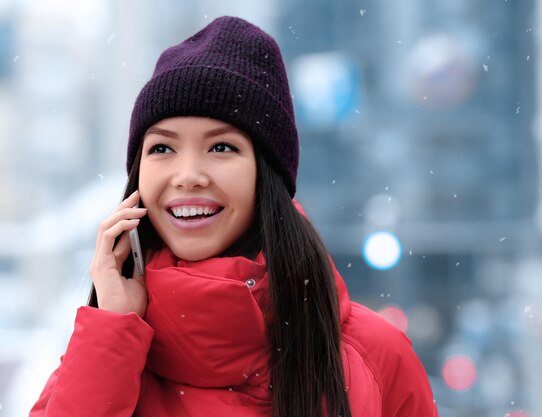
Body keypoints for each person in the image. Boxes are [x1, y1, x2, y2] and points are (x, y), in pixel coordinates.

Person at [30, 16, 438, 417]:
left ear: (268, 176)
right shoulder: (102, 351)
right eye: (162, 149)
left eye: (221, 147)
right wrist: (113, 328)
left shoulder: (376, 357)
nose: (187, 176)